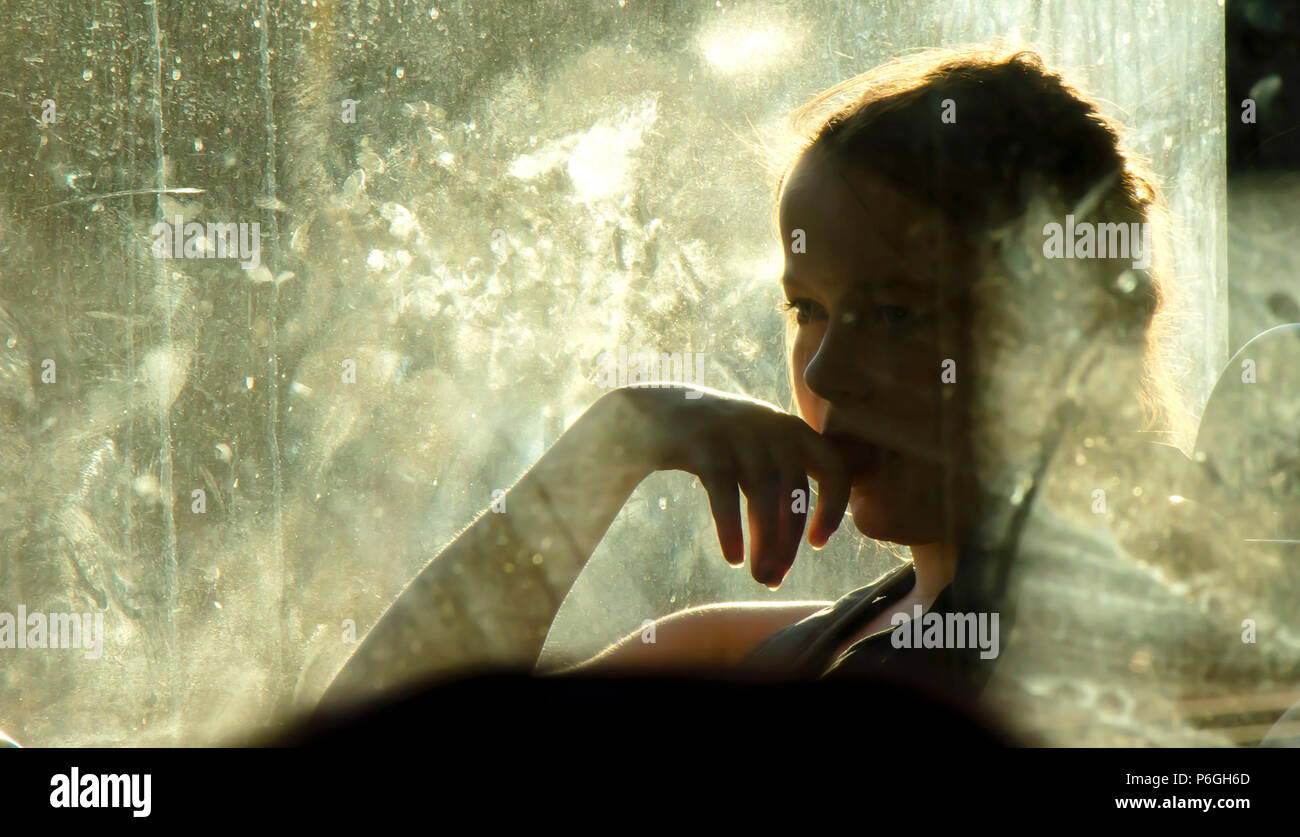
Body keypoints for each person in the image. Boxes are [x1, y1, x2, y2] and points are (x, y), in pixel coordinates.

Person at [317, 45, 1242, 742]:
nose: (827, 373)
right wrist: (619, 436)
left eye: (897, 315)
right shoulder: (820, 636)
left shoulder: (1067, 657)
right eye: (807, 309)